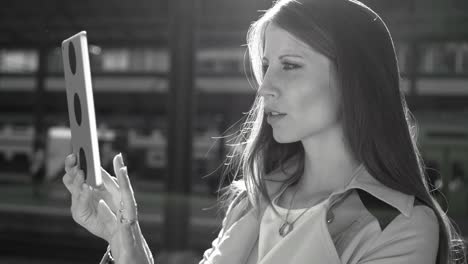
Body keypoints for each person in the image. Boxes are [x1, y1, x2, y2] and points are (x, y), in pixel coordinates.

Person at [62, 0, 467, 263]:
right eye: (266, 65)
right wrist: (124, 236)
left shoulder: (398, 227)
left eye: (289, 65)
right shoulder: (253, 198)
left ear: (354, 78)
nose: (265, 85)